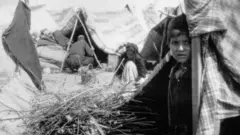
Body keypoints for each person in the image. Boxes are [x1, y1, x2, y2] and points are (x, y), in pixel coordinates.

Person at [166, 14, 192, 135]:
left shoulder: (199, 73)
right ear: (169, 45)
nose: (180, 48)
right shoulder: (174, 71)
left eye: (186, 42)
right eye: (175, 43)